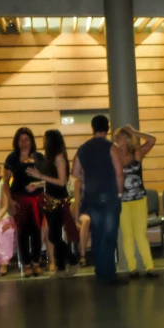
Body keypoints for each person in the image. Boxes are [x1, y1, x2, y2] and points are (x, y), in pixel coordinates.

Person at [72, 115, 125, 284]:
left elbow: (75, 172)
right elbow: (119, 172)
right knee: (109, 236)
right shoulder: (112, 147)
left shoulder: (83, 148)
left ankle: (99, 271)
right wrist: (120, 193)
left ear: (93, 128)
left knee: (98, 233)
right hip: (110, 196)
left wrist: (87, 179)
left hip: (92, 197)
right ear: (107, 128)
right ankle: (108, 273)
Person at [26, 130, 80, 277]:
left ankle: (72, 261)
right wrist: (37, 184)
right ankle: (61, 268)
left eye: (45, 139)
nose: (43, 142)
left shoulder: (59, 158)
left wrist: (40, 175)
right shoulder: (51, 159)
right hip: (50, 201)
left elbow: (62, 182)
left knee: (54, 237)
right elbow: (52, 181)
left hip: (58, 202)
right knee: (54, 236)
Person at [113, 125, 158, 278]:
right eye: (116, 137)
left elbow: (152, 140)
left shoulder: (137, 152)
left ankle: (150, 267)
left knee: (140, 234)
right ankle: (132, 268)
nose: (116, 140)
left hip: (139, 199)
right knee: (127, 235)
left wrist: (134, 132)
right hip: (122, 201)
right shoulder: (114, 155)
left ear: (126, 139)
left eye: (119, 137)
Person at [4, 127, 45, 277]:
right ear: (16, 142)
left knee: (36, 232)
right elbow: (5, 183)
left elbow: (47, 179)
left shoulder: (39, 157)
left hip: (37, 200)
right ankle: (26, 264)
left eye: (26, 139)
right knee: (22, 233)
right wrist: (10, 202)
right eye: (20, 140)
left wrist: (37, 185)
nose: (23, 143)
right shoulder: (12, 158)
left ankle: (36, 262)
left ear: (31, 141)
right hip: (19, 200)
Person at [73, 175, 92, 267]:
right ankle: (82, 255)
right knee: (87, 220)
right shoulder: (78, 183)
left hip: (95, 210)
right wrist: (76, 220)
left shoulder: (97, 180)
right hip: (83, 211)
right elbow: (77, 203)